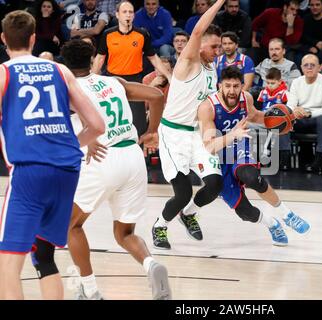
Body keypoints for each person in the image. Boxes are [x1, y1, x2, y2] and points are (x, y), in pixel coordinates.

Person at [0, 10, 105, 300]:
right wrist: (70, 142)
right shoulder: (60, 70)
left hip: (30, 172)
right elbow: (97, 126)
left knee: (8, 263)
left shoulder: (4, 72)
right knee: (44, 255)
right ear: (34, 39)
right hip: (67, 170)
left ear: (3, 39)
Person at [60, 39, 171, 300]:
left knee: (71, 226)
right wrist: (152, 132)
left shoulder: (67, 90)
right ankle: (150, 264)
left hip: (101, 156)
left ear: (65, 65)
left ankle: (90, 291)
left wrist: (85, 140)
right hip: (133, 157)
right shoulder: (114, 82)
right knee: (125, 233)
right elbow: (156, 96)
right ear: (91, 62)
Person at [198, 66, 310, 246]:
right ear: (220, 86)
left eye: (236, 86)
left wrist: (287, 117)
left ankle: (287, 214)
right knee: (245, 212)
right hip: (217, 157)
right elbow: (210, 146)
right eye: (228, 86)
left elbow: (258, 116)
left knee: (251, 177)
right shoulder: (207, 107)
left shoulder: (246, 98)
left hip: (239, 147)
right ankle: (273, 224)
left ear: (242, 86)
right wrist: (233, 134)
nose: (232, 91)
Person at [151, 0, 226, 250]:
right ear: (201, 43)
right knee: (181, 193)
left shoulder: (212, 68)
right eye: (214, 46)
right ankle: (160, 226)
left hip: (196, 133)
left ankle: (189, 214)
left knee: (215, 184)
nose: (218, 50)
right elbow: (196, 31)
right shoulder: (188, 62)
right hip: (173, 133)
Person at [92, 0, 171, 136]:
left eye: (130, 12)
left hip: (134, 80)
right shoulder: (108, 34)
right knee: (113, 122)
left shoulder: (141, 35)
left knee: (138, 124)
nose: (128, 15)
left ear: (134, 15)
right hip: (113, 81)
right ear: (117, 15)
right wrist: (91, 79)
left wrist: (170, 77)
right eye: (124, 12)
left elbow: (154, 59)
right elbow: (100, 59)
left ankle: (139, 152)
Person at [288, 54, 322, 173]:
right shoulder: (296, 82)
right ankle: (284, 160)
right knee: (285, 120)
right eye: (306, 65)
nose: (309, 68)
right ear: (301, 68)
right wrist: (295, 111)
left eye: (312, 65)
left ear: (319, 67)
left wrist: (308, 113)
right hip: (303, 118)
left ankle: (319, 159)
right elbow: (290, 105)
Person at [256, 67, 291, 170]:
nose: (269, 86)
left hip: (278, 119)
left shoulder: (284, 93)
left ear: (279, 82)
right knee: (248, 126)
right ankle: (253, 157)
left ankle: (271, 156)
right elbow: (258, 107)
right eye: (268, 83)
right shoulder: (263, 93)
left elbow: (288, 110)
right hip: (263, 118)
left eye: (272, 83)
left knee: (275, 129)